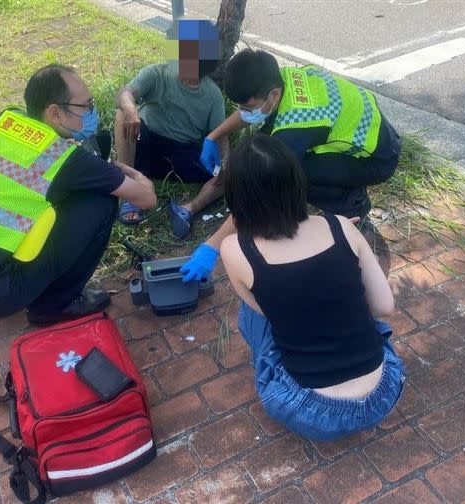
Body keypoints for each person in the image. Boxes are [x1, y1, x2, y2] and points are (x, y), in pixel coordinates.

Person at [0, 64, 157, 325]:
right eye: (86, 105)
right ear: (55, 113)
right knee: (101, 199)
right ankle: (54, 306)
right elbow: (146, 197)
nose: (92, 112)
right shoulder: (66, 158)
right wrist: (120, 169)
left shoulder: (6, 120)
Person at [216, 134, 404, 439]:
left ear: (236, 196)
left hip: (310, 412)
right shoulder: (339, 225)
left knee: (251, 310)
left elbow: (268, 312)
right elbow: (385, 307)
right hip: (384, 393)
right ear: (297, 181)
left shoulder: (235, 249)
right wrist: (343, 247)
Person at [200, 49, 401, 221]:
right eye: (240, 107)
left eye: (248, 107)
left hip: (378, 159)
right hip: (377, 134)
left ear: (274, 94)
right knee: (265, 150)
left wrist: (215, 245)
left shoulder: (295, 127)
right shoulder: (281, 78)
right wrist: (214, 136)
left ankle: (353, 204)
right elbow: (250, 112)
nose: (243, 111)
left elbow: (268, 180)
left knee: (292, 173)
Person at [115, 19, 229, 239]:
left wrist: (226, 159)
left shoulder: (212, 94)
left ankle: (187, 210)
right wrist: (130, 107)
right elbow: (124, 94)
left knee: (231, 173)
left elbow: (220, 133)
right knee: (121, 112)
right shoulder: (156, 73)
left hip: (183, 155)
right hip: (145, 143)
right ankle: (129, 190)